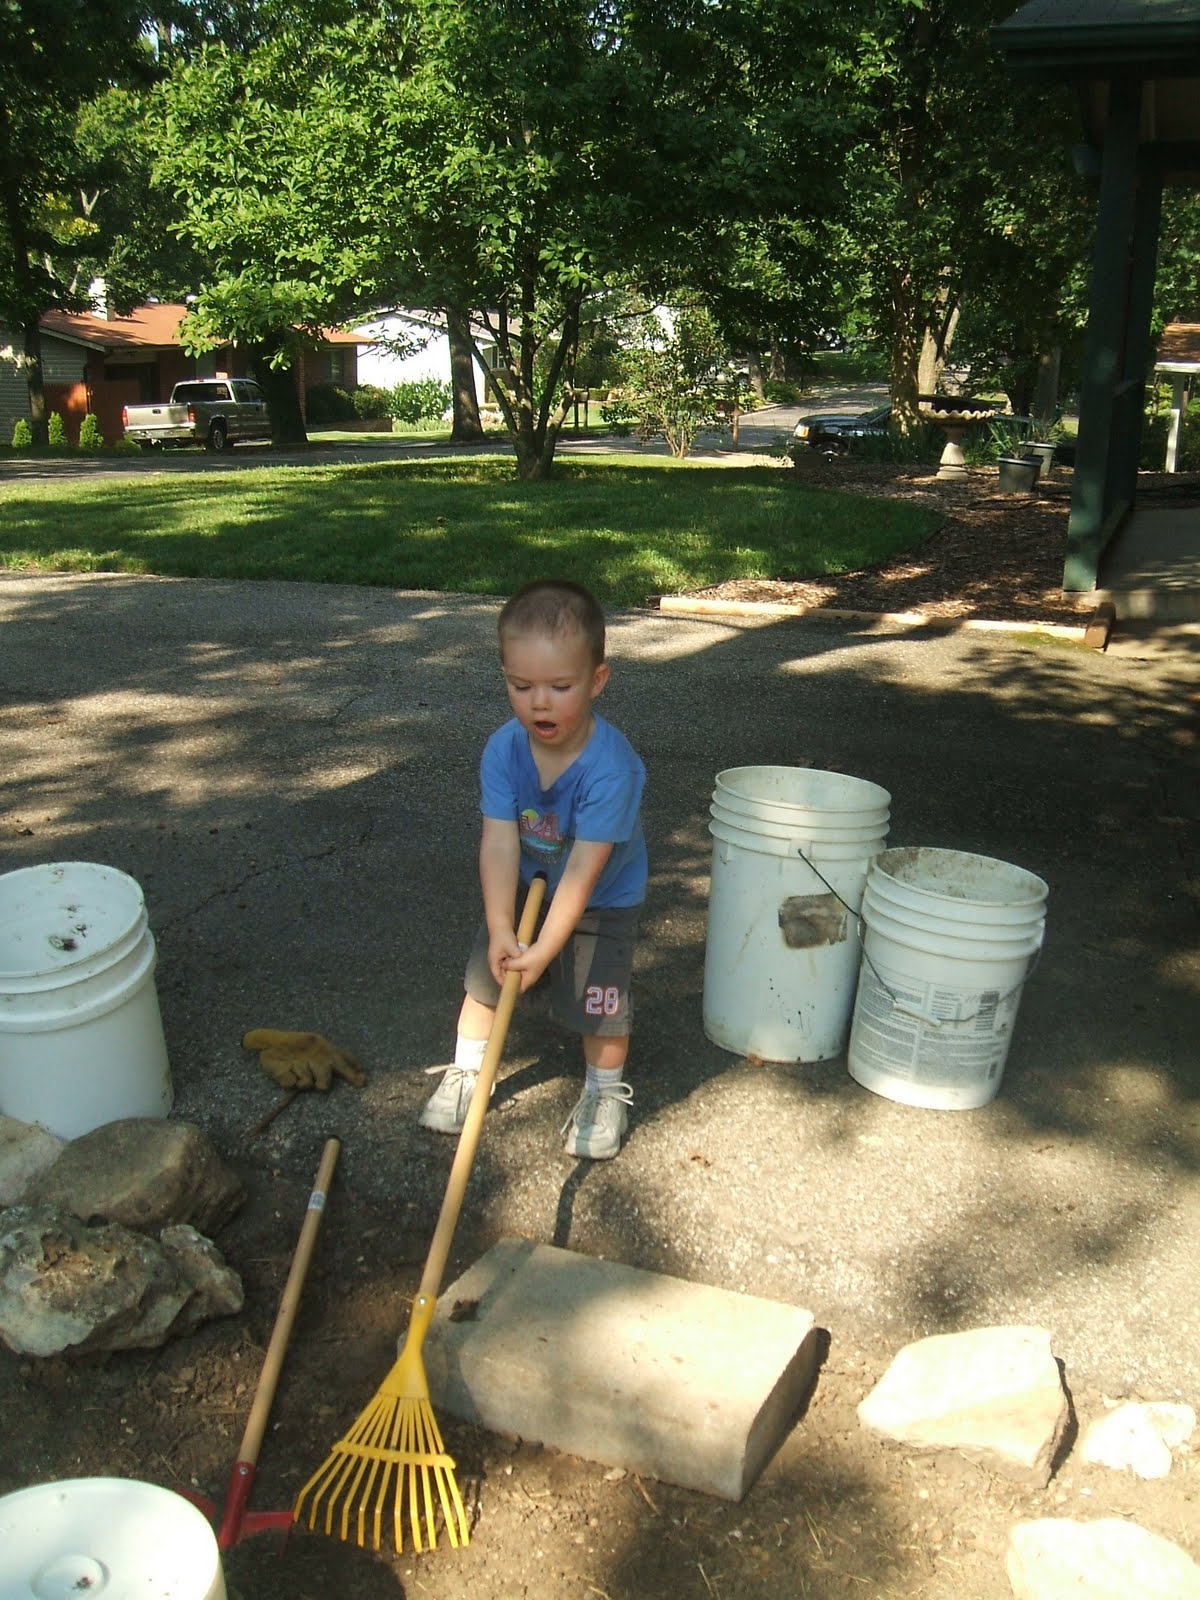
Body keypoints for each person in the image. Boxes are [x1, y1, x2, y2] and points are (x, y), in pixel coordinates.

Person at [419, 579, 647, 1159]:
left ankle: (602, 1093)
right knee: (486, 978)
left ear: (597, 681)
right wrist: (502, 928)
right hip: (526, 882)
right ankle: (470, 1070)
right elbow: (498, 844)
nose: (539, 702)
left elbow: (582, 876)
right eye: (521, 686)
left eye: (559, 686)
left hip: (599, 897)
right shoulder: (502, 750)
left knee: (599, 1005)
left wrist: (545, 951)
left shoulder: (611, 770)